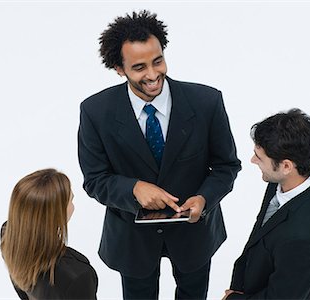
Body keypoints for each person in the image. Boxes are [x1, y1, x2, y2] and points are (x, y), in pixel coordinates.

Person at [78, 10, 241, 300]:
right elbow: (94, 179)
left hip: (195, 235)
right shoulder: (95, 112)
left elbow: (227, 166)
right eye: (139, 67)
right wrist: (133, 189)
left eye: (158, 61)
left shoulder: (207, 102)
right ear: (119, 68)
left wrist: (204, 199)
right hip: (132, 239)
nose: (153, 75)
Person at [224, 109, 310, 300]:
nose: (252, 160)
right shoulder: (299, 171)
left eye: (259, 157)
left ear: (286, 166)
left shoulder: (304, 241)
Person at [0, 169, 98, 299]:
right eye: (69, 200)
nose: (72, 197)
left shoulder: (9, 235)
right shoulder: (76, 275)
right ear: (56, 215)